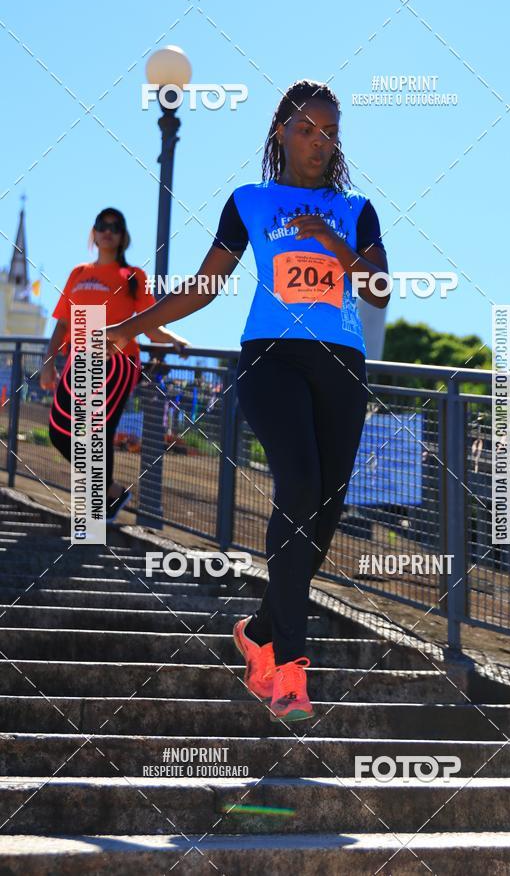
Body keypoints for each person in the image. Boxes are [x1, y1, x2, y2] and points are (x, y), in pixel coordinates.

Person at [104, 79, 390, 721]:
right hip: (269, 357)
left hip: (341, 365)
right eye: (308, 129)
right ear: (281, 132)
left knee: (325, 510)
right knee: (298, 482)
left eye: (331, 132)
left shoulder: (357, 209)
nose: (320, 142)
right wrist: (131, 325)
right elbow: (207, 283)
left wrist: (334, 243)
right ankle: (289, 665)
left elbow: (378, 292)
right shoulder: (251, 202)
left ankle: (259, 628)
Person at [40, 207, 189, 521]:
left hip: (116, 359)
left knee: (96, 431)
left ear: (122, 236)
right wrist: (48, 362)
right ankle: (110, 491)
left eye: (115, 226)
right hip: (80, 356)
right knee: (59, 431)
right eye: (101, 225)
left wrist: (173, 339)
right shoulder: (78, 273)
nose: (107, 231)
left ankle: (98, 508)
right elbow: (63, 324)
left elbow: (151, 325)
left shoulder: (132, 276)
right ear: (94, 233)